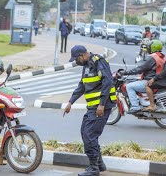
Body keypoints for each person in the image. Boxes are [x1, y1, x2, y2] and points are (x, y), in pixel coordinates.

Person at [64, 45, 116, 176]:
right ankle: (99, 164)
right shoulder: (86, 66)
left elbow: (108, 82)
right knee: (85, 132)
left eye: (76, 59)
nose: (76, 62)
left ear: (82, 55)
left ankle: (93, 168)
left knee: (89, 135)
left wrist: (102, 105)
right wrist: (70, 102)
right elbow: (82, 85)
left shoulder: (99, 62)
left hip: (101, 106)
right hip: (93, 107)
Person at [122, 40, 164, 113]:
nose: (148, 48)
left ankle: (135, 107)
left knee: (129, 86)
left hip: (150, 81)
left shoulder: (151, 57)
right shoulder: (161, 57)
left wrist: (125, 72)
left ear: (152, 47)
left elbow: (140, 68)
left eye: (149, 47)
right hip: (158, 80)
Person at [145, 41, 165, 111]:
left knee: (148, 85)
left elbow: (164, 72)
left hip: (164, 81)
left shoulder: (155, 56)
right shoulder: (162, 56)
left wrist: (154, 79)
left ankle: (152, 105)